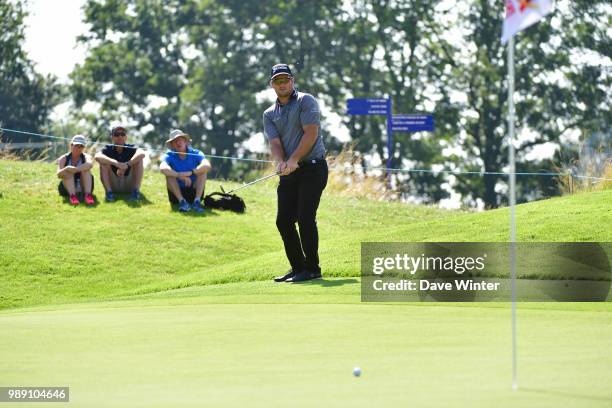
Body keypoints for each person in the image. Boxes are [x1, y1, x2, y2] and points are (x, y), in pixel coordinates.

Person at [263, 63, 328, 283]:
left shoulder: (305, 101)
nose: (282, 84)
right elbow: (274, 142)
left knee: (305, 217)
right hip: (290, 172)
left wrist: (293, 159)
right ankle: (297, 267)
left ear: (293, 80)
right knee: (283, 221)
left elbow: (311, 134)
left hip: (313, 168)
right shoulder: (269, 114)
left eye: (285, 79)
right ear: (272, 85)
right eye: (277, 81)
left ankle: (312, 268)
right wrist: (282, 162)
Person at [160, 129, 211, 213]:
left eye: (180, 140)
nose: (178, 143)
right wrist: (178, 175)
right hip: (176, 195)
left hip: (193, 190)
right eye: (174, 141)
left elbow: (207, 165)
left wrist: (192, 172)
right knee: (169, 175)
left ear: (185, 141)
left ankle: (197, 202)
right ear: (172, 145)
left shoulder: (196, 153)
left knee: (203, 172)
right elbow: (163, 168)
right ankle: (182, 202)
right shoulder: (169, 155)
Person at [95, 124, 146, 201]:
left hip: (129, 184)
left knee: (139, 161)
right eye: (116, 134)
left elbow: (142, 153)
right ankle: (109, 193)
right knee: (103, 163)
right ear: (112, 137)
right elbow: (97, 156)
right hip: (114, 184)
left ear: (126, 137)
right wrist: (116, 163)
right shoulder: (108, 148)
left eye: (122, 134)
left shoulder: (131, 147)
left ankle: (135, 192)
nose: (120, 136)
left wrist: (127, 164)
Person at [56, 134, 95, 206]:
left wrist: (76, 169)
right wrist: (67, 168)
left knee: (86, 170)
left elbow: (90, 164)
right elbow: (58, 174)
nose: (78, 148)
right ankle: (73, 196)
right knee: (68, 172)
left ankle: (88, 196)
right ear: (71, 145)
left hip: (84, 186)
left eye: (81, 146)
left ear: (84, 148)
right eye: (76, 145)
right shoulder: (63, 158)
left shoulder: (86, 156)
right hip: (67, 188)